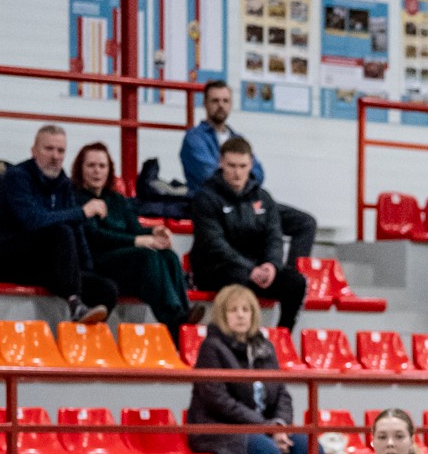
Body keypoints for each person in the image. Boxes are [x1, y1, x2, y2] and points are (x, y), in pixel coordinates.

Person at [187, 284, 307, 454]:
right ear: (222, 315)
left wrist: (280, 425)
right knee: (267, 451)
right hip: (218, 427)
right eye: (233, 310)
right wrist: (267, 428)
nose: (241, 315)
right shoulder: (212, 348)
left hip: (263, 428)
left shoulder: (264, 346)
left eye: (246, 310)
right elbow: (218, 401)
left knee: (311, 449)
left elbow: (282, 394)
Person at [0, 124, 116, 324]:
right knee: (60, 232)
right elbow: (33, 221)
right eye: (49, 149)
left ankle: (83, 339)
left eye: (61, 151)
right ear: (34, 151)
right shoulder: (16, 177)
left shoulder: (64, 183)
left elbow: (77, 232)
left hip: (44, 264)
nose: (55, 156)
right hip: (8, 258)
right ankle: (74, 302)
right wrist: (82, 212)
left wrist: (88, 271)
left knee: (106, 289)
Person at [180, 80, 316, 271]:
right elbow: (209, 176)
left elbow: (259, 173)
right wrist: (243, 176)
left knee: (305, 223)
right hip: (213, 206)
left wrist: (241, 180)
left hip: (246, 201)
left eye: (225, 100)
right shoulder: (194, 138)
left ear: (231, 103)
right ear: (205, 103)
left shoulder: (237, 138)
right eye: (215, 100)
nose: (221, 105)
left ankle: (289, 275)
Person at [71, 142, 190, 338]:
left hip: (128, 257)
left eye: (102, 166)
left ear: (109, 170)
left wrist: (155, 231)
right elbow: (96, 237)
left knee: (168, 255)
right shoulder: (77, 200)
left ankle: (184, 314)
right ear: (80, 169)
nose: (97, 171)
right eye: (91, 165)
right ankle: (173, 321)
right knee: (148, 257)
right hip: (100, 262)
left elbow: (135, 229)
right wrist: (140, 241)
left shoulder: (117, 199)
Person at [189, 136, 308, 330]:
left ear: (251, 164)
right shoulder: (205, 197)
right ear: (221, 162)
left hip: (255, 268)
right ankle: (238, 339)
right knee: (237, 280)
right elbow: (213, 243)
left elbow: (274, 236)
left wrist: (271, 265)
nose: (237, 173)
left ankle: (282, 336)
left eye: (242, 166)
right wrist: (249, 269)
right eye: (232, 166)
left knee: (295, 282)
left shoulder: (263, 197)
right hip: (217, 269)